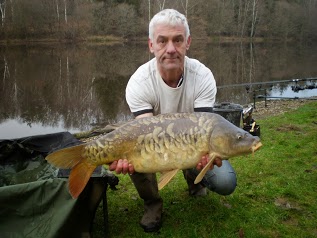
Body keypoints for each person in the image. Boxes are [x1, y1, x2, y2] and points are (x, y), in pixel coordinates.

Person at [109, 9, 237, 232]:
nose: (170, 49)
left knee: (225, 180)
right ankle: (153, 205)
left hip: (194, 143)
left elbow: (205, 128)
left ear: (187, 42)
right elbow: (146, 137)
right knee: (135, 155)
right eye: (162, 41)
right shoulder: (139, 82)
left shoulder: (203, 76)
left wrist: (208, 155)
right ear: (151, 45)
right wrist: (120, 155)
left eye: (177, 40)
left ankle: (195, 183)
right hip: (152, 144)